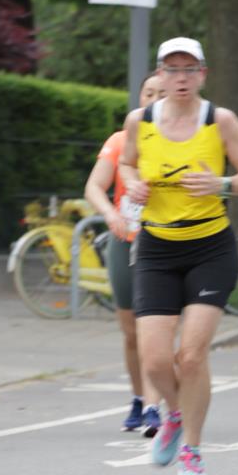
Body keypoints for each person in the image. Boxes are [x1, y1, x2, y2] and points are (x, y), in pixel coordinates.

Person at [119, 37, 238, 475]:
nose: (180, 77)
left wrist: (220, 183)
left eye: (189, 69)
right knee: (156, 359)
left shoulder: (220, 121)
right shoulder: (138, 121)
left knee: (192, 355)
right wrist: (133, 184)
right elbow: (124, 166)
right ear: (160, 74)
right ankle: (175, 415)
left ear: (203, 74)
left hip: (209, 249)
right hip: (158, 249)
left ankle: (193, 453)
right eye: (172, 69)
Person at [84, 72, 164, 436]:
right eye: (149, 92)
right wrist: (111, 214)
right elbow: (94, 187)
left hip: (165, 243)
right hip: (125, 239)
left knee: (157, 330)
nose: (154, 99)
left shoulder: (182, 141)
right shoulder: (120, 141)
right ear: (140, 97)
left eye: (162, 93)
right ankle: (137, 397)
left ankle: (153, 407)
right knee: (131, 331)